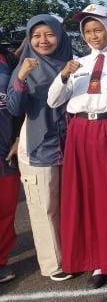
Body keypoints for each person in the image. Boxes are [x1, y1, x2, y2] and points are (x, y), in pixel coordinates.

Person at [46, 4, 107, 289]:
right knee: (87, 197)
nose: (93, 35)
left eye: (98, 29)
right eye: (87, 31)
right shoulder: (78, 64)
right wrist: (64, 75)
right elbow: (53, 100)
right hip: (80, 133)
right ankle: (98, 260)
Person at [6, 15, 74, 281]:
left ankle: (76, 253)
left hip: (72, 143)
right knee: (44, 207)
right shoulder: (24, 66)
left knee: (71, 204)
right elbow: (14, 108)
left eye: (49, 34)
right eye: (36, 36)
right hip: (38, 145)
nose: (43, 41)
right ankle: (54, 263)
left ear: (60, 35)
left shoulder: (73, 61)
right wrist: (22, 78)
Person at [0, 44, 19, 284]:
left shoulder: (8, 60)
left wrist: (19, 136)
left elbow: (20, 102)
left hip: (6, 150)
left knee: (5, 210)